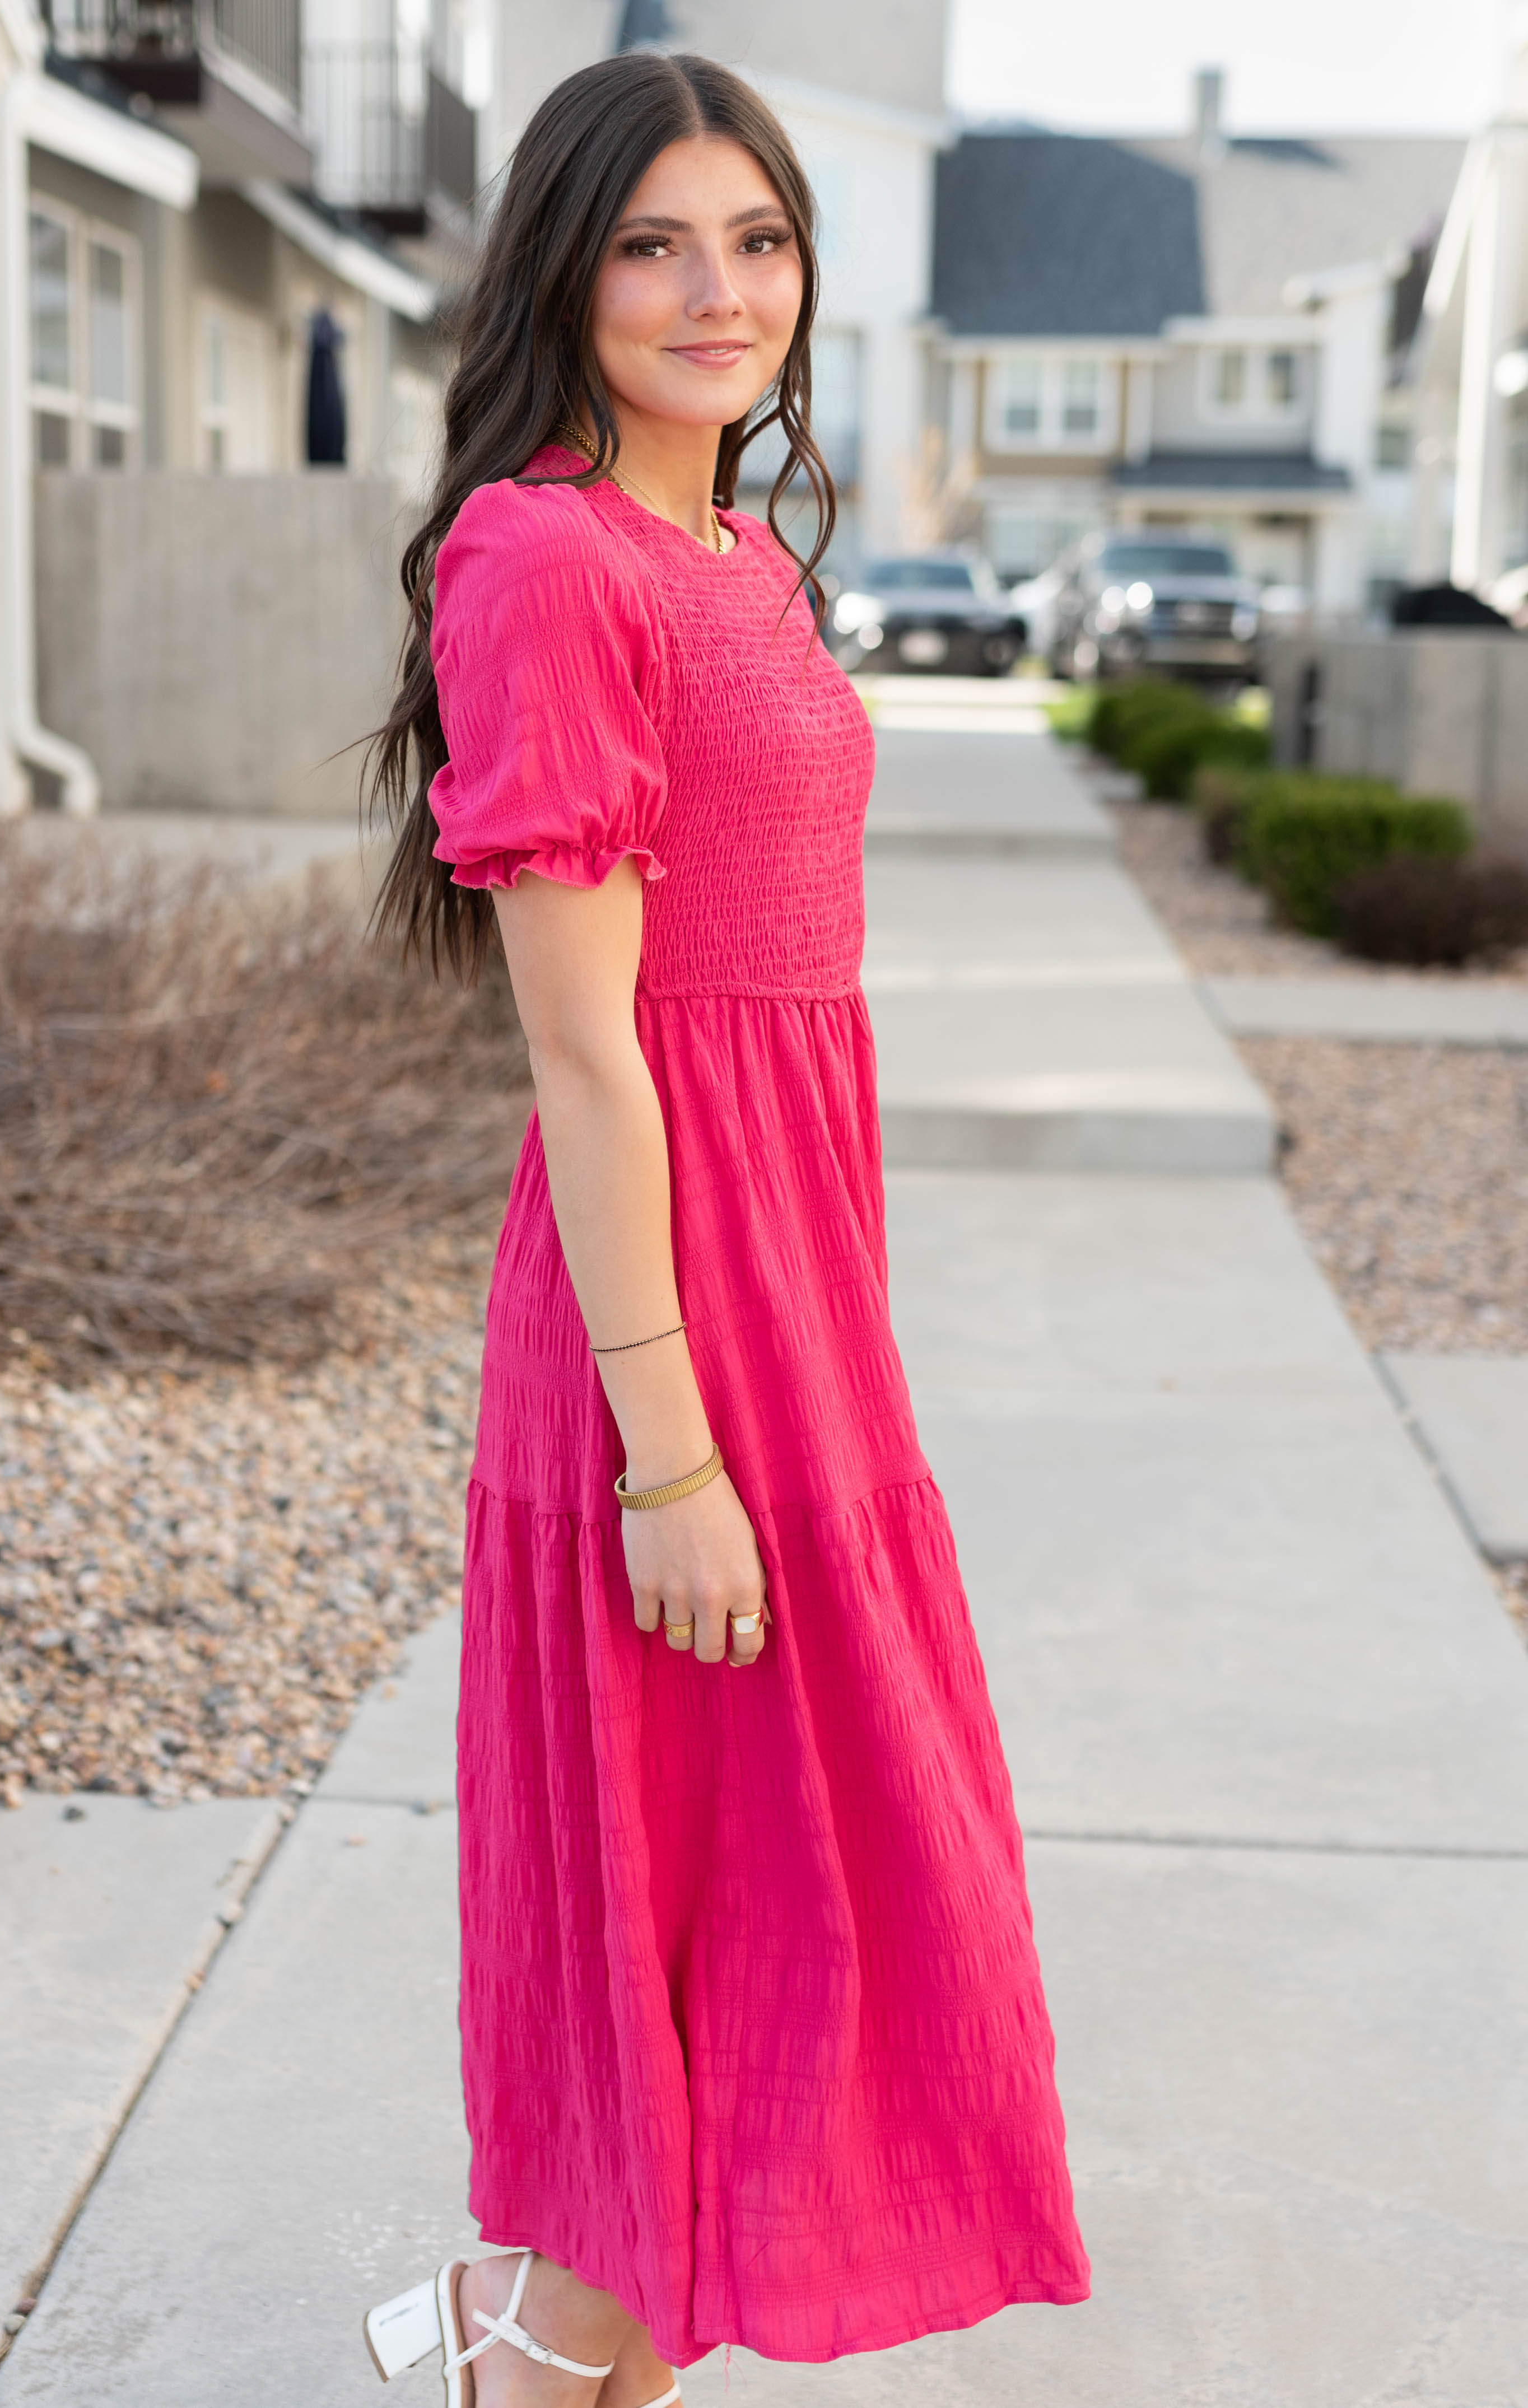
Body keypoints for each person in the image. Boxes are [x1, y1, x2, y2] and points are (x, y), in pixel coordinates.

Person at [362, 49, 1089, 2406]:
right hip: (664, 1315)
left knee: (784, 1894)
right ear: (564, 273)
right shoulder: (547, 555)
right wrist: (669, 1452)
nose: (716, 291)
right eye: (655, 243)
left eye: (758, 241)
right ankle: (513, 2346)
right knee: (698, 1891)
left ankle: (528, 2338)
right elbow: (589, 1055)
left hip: (800, 1286)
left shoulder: (738, 555)